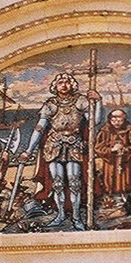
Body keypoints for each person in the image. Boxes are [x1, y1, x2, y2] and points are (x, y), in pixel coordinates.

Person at [23, 72, 96, 229]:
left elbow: (94, 121)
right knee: (57, 183)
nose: (64, 85)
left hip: (74, 144)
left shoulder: (81, 101)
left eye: (67, 82)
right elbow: (39, 127)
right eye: (60, 82)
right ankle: (61, 214)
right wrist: (29, 150)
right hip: (54, 145)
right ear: (55, 86)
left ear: (73, 85)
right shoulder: (50, 104)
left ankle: (76, 218)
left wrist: (98, 101)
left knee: (74, 182)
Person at [93, 107, 131, 215]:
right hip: (110, 161)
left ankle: (123, 198)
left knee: (123, 180)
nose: (117, 123)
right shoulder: (104, 130)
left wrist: (125, 150)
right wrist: (111, 150)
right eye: (114, 120)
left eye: (120, 120)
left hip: (124, 161)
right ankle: (110, 200)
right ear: (110, 120)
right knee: (109, 179)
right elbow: (97, 147)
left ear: (124, 120)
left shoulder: (130, 129)